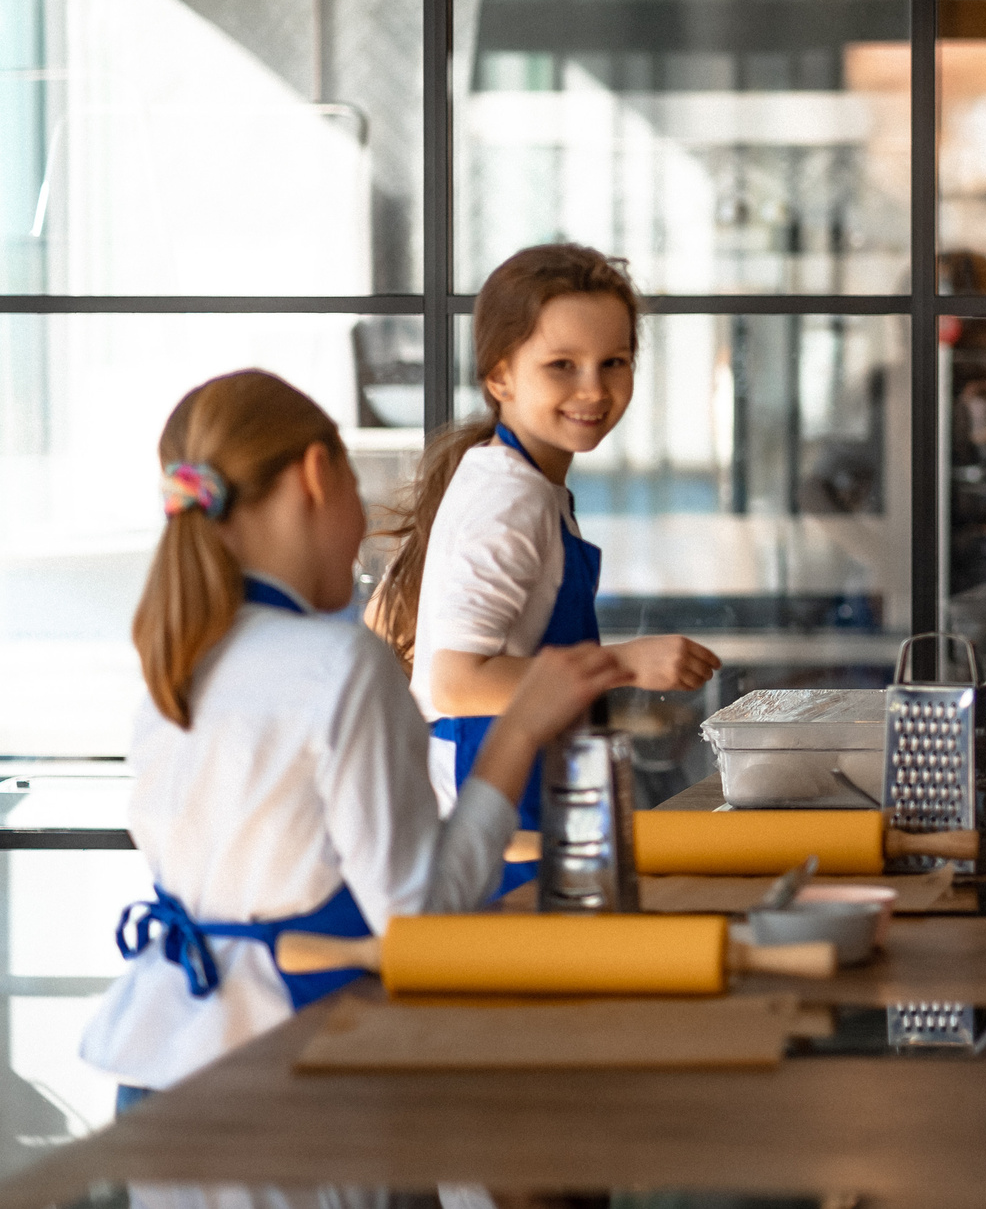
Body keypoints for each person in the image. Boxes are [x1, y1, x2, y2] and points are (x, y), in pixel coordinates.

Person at [81, 371, 627, 1106]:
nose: (365, 523)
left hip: (164, 1064)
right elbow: (419, 922)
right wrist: (520, 728)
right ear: (315, 473)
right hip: (291, 1069)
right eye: (352, 486)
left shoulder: (175, 663)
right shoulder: (338, 665)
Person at [373, 244, 720, 887]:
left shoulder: (529, 485)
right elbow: (453, 681)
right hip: (492, 842)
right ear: (500, 376)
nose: (593, 389)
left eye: (613, 362)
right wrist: (625, 664)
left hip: (522, 821)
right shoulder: (509, 499)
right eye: (562, 365)